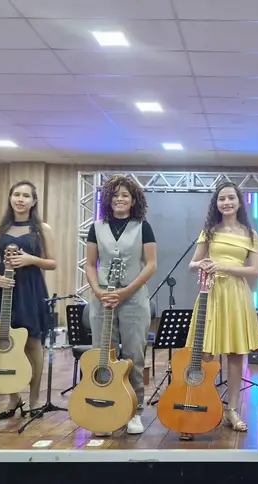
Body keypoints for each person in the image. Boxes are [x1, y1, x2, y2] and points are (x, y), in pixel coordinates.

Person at [183, 182, 258, 441]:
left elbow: (254, 270)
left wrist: (223, 266)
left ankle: (232, 411)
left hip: (237, 295)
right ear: (216, 204)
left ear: (239, 202)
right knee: (203, 353)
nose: (226, 202)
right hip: (211, 294)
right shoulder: (209, 231)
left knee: (236, 355)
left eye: (230, 198)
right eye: (221, 199)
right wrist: (203, 264)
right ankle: (199, 405)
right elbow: (192, 264)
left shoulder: (250, 234)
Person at [0, 181, 55, 420]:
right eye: (16, 194)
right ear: (10, 198)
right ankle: (13, 397)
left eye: (26, 196)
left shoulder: (42, 229)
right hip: (4, 290)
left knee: (32, 343)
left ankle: (35, 398)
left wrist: (30, 259)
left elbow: (52, 262)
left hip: (31, 290)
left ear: (34, 201)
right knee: (3, 340)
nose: (20, 199)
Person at [84, 174, 157, 437]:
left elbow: (151, 265)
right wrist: (98, 291)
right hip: (102, 298)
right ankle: (105, 408)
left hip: (134, 298)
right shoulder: (96, 227)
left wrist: (125, 292)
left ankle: (134, 411)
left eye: (125, 195)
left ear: (133, 200)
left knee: (134, 357)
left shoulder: (143, 227)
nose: (120, 199)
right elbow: (90, 264)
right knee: (104, 355)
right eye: (115, 195)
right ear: (108, 200)